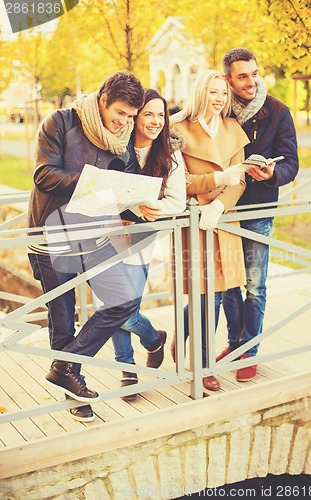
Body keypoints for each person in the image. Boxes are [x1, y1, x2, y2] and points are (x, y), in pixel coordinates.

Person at [27, 72, 145, 422]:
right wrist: (94, 184)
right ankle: (75, 395)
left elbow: (124, 189)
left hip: (95, 234)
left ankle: (64, 367)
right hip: (52, 234)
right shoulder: (60, 122)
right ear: (103, 98)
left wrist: (138, 208)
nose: (124, 122)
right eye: (120, 112)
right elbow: (44, 175)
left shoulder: (122, 138)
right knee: (62, 320)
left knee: (126, 297)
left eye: (130, 117)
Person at [217, 48, 299, 381]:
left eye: (254, 73)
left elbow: (291, 163)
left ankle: (248, 352)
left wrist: (273, 175)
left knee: (255, 285)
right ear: (227, 79)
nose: (251, 81)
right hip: (223, 207)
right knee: (227, 285)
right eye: (242, 76)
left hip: (260, 207)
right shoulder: (218, 107)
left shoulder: (278, 111)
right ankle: (236, 344)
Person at [170, 69, 250, 391]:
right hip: (194, 221)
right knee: (205, 295)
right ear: (201, 92)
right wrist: (215, 183)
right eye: (213, 92)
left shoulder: (233, 128)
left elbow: (240, 178)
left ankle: (188, 341)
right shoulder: (177, 129)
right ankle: (204, 366)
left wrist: (219, 206)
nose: (219, 100)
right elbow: (178, 182)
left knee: (218, 294)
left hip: (224, 220)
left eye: (223, 94)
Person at [111, 88, 187, 401]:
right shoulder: (116, 147)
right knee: (111, 306)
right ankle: (127, 370)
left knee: (125, 312)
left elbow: (177, 201)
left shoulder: (170, 154)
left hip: (140, 237)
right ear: (136, 116)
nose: (155, 121)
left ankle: (153, 340)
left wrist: (155, 209)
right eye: (148, 114)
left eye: (160, 115)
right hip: (108, 235)